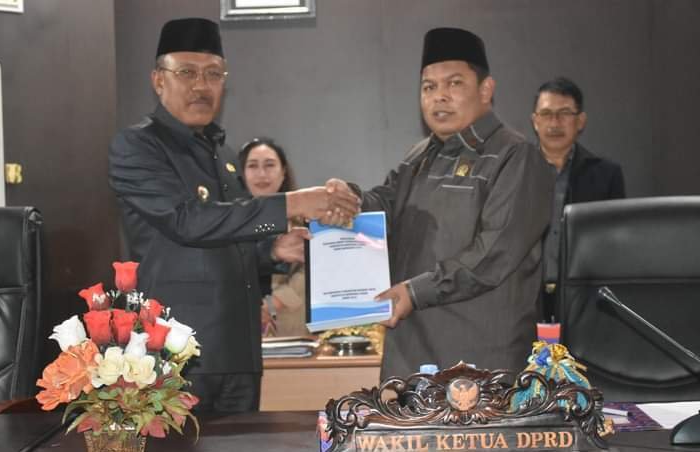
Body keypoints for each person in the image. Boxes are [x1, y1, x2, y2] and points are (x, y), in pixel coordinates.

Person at [108, 18, 359, 414]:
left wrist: (272, 250)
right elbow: (188, 221)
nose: (201, 86)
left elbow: (229, 239)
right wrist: (289, 204)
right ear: (158, 80)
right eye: (186, 73)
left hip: (240, 353)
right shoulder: (138, 146)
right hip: (178, 355)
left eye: (213, 74)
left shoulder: (222, 155)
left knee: (246, 441)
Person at [336, 27, 554, 379]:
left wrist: (415, 291)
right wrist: (346, 200)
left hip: (482, 360)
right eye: (428, 87)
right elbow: (385, 207)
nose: (439, 96)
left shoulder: (516, 156)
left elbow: (493, 254)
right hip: (411, 357)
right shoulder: (419, 155)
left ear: (486, 89)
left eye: (454, 84)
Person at [531, 76, 625, 321]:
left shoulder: (606, 175)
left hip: (584, 301)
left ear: (580, 121)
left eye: (564, 113)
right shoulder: (516, 171)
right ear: (535, 121)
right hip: (525, 300)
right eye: (546, 114)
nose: (554, 122)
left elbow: (615, 246)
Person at [239, 137, 309, 337]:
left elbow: (311, 272)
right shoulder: (227, 222)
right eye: (253, 166)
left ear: (283, 171)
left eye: (269, 165)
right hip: (238, 321)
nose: (262, 174)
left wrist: (270, 304)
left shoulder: (302, 220)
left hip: (288, 324)